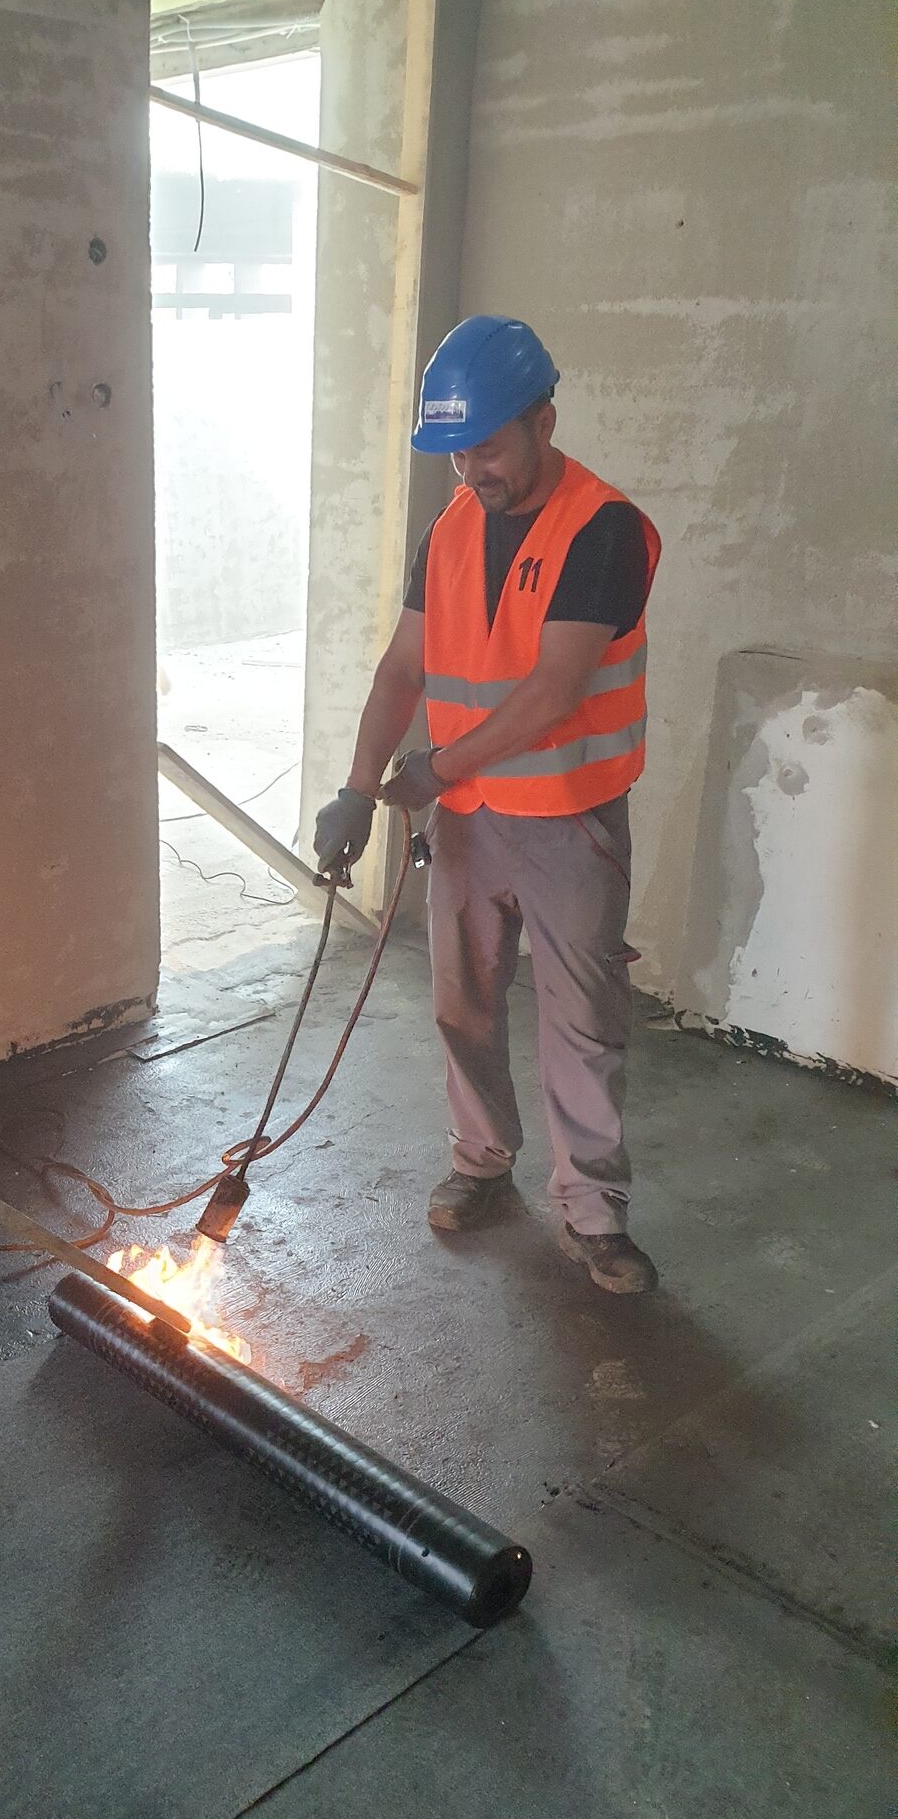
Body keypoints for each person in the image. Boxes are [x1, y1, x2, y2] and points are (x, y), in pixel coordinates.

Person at [314, 316, 661, 1295]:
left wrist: (431, 769)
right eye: (457, 452)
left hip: (568, 823)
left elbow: (553, 692)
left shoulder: (602, 528)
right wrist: (355, 787)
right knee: (462, 1002)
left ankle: (593, 1215)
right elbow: (402, 668)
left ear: (543, 420)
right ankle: (480, 1162)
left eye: (490, 447)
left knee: (581, 1022)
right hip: (466, 821)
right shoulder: (452, 528)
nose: (473, 470)